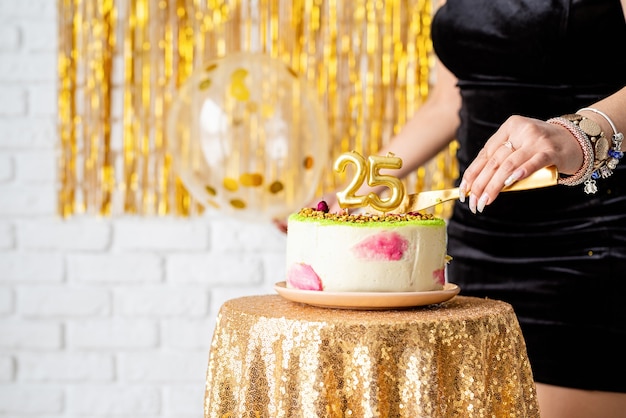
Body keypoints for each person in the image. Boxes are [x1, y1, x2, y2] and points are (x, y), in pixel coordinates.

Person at [279, 1, 626, 417]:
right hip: (474, 241)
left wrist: (583, 132)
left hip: (586, 243)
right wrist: (355, 190)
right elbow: (447, 105)